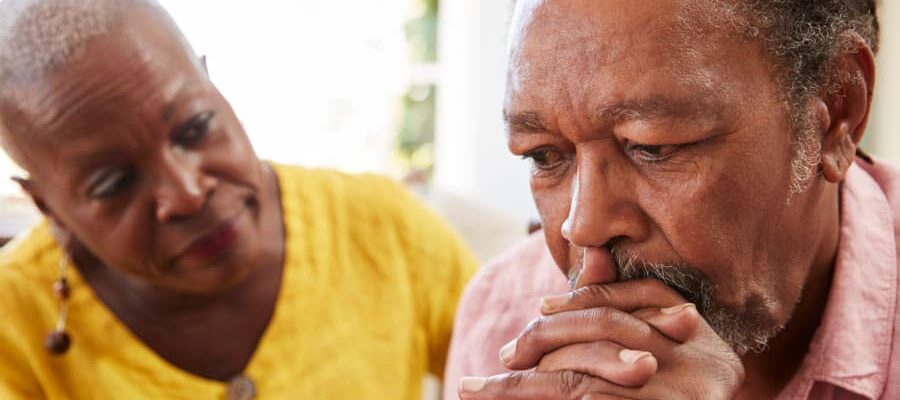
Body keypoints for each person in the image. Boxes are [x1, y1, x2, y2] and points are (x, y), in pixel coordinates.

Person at [0, 0, 477, 398]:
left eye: (196, 128)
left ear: (216, 91)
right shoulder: (12, 324)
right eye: (113, 184)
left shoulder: (387, 229)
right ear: (49, 207)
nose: (186, 194)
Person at [444, 0, 900, 399]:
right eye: (544, 156)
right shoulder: (500, 319)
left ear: (837, 111)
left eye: (653, 147)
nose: (583, 227)